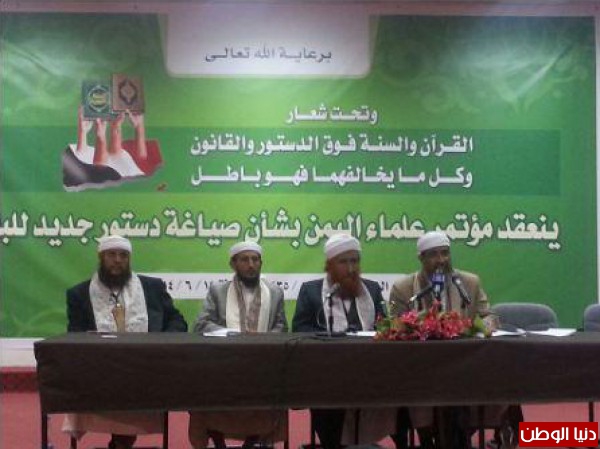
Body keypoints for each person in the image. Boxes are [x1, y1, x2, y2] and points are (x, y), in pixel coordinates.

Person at [62, 234, 188, 449]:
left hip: (147, 366)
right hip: (100, 369)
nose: (118, 260)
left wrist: (161, 342)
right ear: (101, 257)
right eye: (111, 255)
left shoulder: (152, 287)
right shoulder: (79, 294)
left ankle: (120, 442)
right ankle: (121, 441)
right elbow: (75, 333)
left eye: (123, 255)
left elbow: (177, 321)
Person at [389, 231, 507, 449]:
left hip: (464, 365)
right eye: (434, 254)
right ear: (421, 258)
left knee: (497, 383)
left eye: (445, 253)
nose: (441, 260)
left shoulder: (469, 283)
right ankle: (430, 441)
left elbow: (488, 316)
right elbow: (395, 326)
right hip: (419, 369)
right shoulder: (403, 288)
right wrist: (419, 324)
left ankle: (462, 438)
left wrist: (483, 327)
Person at [292, 233, 394, 449]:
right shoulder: (311, 291)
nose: (350, 268)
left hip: (369, 370)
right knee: (325, 399)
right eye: (343, 262)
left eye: (355, 261)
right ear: (329, 265)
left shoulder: (372, 289)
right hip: (327, 374)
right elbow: (300, 329)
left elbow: (385, 327)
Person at [189, 240, 288, 449]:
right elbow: (201, 325)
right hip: (223, 363)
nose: (251, 265)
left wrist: (262, 340)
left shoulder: (275, 292)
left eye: (255, 260)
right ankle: (218, 440)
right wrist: (233, 335)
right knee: (201, 389)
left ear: (261, 263)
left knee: (276, 389)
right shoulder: (218, 291)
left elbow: (281, 327)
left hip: (262, 365)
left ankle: (253, 441)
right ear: (233, 264)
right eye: (245, 260)